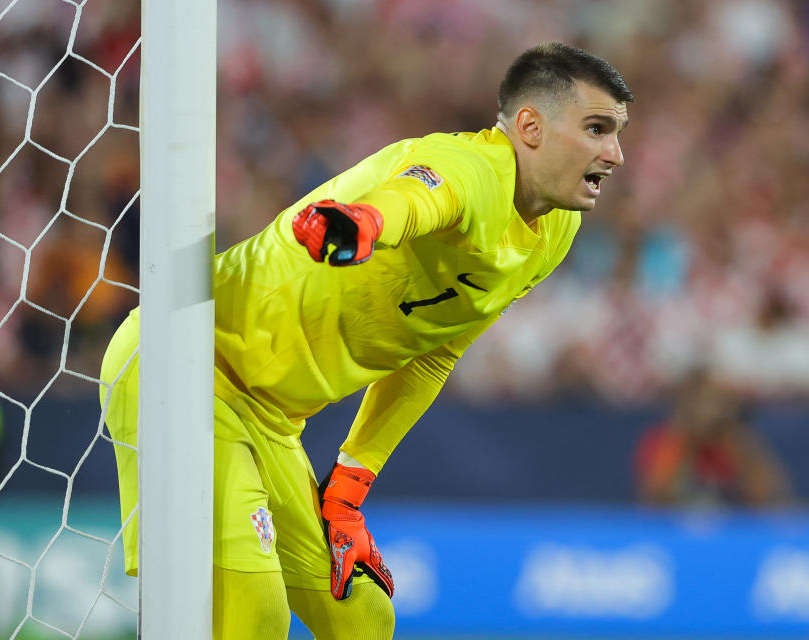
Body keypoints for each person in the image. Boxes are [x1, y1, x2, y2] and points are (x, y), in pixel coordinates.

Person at [99, 41, 633, 639]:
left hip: (270, 419)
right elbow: (417, 196)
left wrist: (348, 491)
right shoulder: (472, 168)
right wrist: (366, 223)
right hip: (185, 363)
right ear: (530, 127)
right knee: (253, 617)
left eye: (617, 133)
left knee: (364, 621)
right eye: (597, 129)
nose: (614, 154)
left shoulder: (553, 232)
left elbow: (434, 355)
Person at [634, 369, 793, 507]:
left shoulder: (740, 441)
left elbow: (773, 501)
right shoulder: (666, 440)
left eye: (715, 403)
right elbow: (653, 501)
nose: (707, 413)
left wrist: (735, 446)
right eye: (700, 404)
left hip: (733, 532)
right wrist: (686, 441)